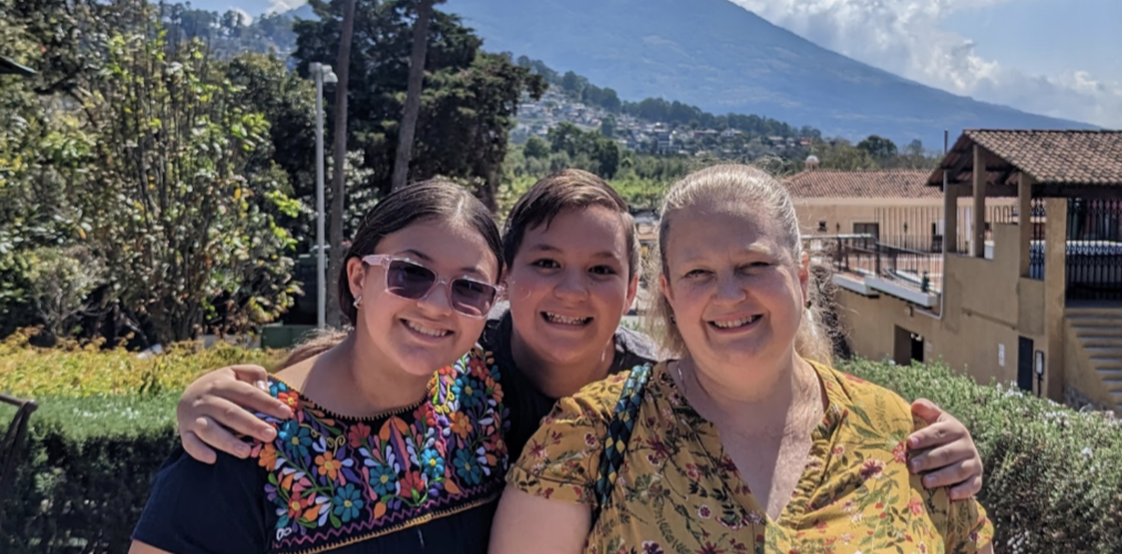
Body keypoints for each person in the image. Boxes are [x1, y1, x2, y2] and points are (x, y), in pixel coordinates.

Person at [175, 170, 984, 501]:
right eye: (546, 263)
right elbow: (358, 368)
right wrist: (214, 392)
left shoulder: (660, 392)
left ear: (636, 293)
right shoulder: (458, 371)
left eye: (601, 270)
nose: (571, 290)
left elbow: (777, 399)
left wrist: (926, 444)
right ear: (505, 282)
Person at [490, 164, 995, 554]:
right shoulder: (583, 438)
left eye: (754, 265)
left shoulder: (901, 436)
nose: (729, 295)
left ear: (801, 277)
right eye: (698, 273)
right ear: (668, 293)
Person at [130, 179, 509, 554]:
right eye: (411, 273)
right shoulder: (247, 434)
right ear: (358, 278)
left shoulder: (481, 393)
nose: (437, 305)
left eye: (469, 288)